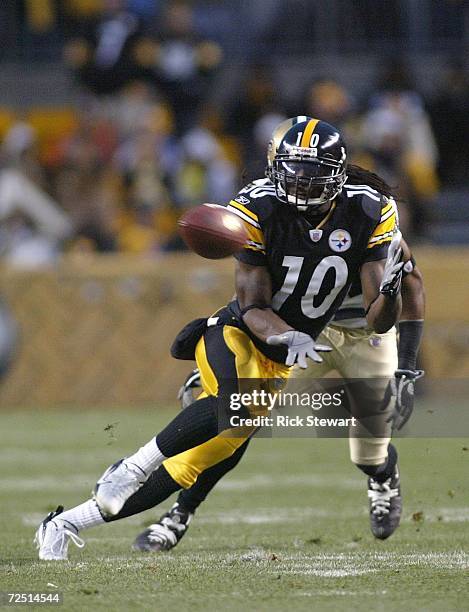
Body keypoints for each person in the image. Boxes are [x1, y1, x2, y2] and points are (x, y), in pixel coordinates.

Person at [35, 116, 404, 560]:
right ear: (275, 165)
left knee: (199, 461)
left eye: (313, 173)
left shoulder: (369, 209)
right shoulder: (256, 206)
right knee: (237, 406)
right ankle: (131, 466)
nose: (302, 183)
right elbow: (252, 306)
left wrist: (390, 291)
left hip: (277, 362)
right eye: (294, 170)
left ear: (338, 174)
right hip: (238, 333)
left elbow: (380, 319)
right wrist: (289, 335)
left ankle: (65, 523)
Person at [132, 234, 424, 551]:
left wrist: (406, 364)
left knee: (370, 453)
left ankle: (382, 473)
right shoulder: (286, 222)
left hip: (369, 338)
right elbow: (251, 297)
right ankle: (179, 513)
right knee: (241, 416)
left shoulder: (375, 226)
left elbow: (413, 286)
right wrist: (228, 366)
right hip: (307, 334)